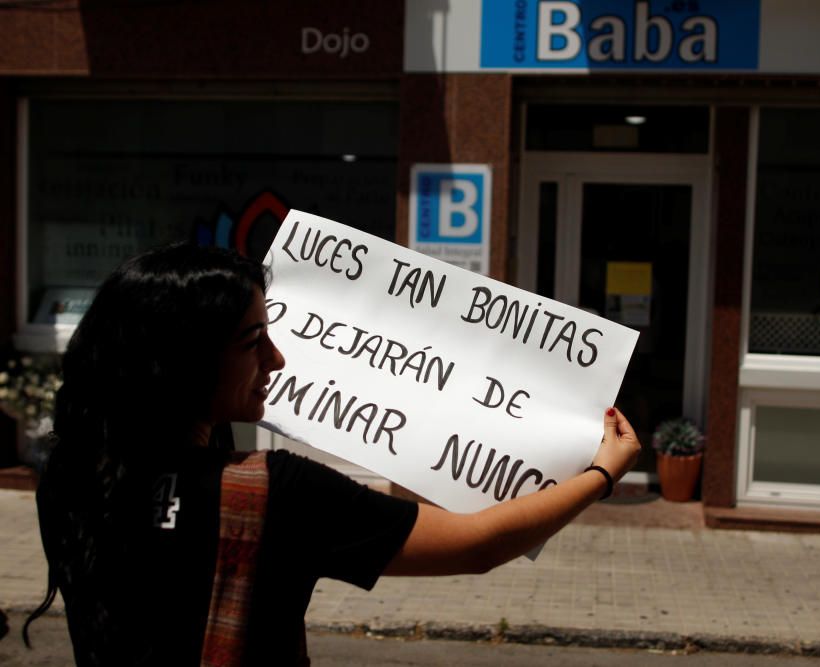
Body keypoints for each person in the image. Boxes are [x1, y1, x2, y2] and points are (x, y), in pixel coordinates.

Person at [24, 243, 640, 665]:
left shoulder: (72, 477)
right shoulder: (272, 492)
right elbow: (476, 543)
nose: (276, 359)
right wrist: (600, 475)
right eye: (252, 342)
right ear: (183, 364)